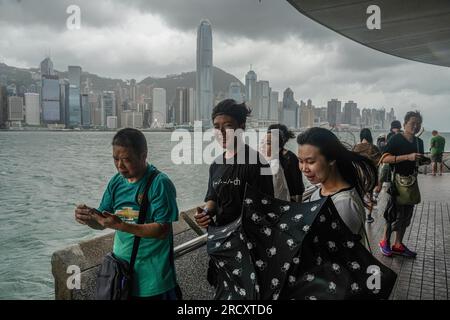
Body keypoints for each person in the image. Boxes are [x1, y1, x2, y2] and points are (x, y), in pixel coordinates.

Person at [74, 128, 180, 300]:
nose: (120, 166)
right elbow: (103, 222)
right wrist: (89, 219)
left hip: (154, 281)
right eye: (116, 159)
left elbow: (163, 230)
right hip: (121, 276)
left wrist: (121, 225)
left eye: (126, 160)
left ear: (143, 156)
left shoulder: (160, 183)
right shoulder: (116, 182)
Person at [194, 99, 274, 287]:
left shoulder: (256, 162)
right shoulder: (216, 165)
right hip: (223, 242)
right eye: (216, 127)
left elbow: (267, 209)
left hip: (250, 247)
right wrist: (206, 213)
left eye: (228, 126)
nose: (221, 132)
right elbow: (213, 198)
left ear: (241, 127)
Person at [297, 127, 378, 249]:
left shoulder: (345, 204)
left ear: (331, 159)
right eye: (300, 161)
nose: (304, 168)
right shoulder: (317, 191)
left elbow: (335, 252)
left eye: (310, 162)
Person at [379, 111, 425, 258]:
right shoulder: (396, 139)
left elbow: (417, 161)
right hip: (397, 182)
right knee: (392, 213)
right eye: (413, 123)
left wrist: (422, 160)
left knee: (406, 216)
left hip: (411, 182)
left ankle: (398, 244)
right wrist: (407, 157)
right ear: (405, 123)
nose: (415, 126)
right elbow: (385, 159)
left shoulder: (419, 142)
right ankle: (384, 242)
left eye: (418, 124)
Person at [260, 124, 305, 202]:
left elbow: (297, 184)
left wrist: (298, 204)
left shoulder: (290, 157)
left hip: (288, 199)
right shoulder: (268, 158)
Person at [353, 128, 381, 223]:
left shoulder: (355, 148)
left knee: (358, 195)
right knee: (370, 196)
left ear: (361, 136)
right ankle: (368, 217)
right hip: (370, 177)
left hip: (357, 175)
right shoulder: (374, 148)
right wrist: (378, 181)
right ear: (370, 136)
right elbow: (378, 164)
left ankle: (358, 215)